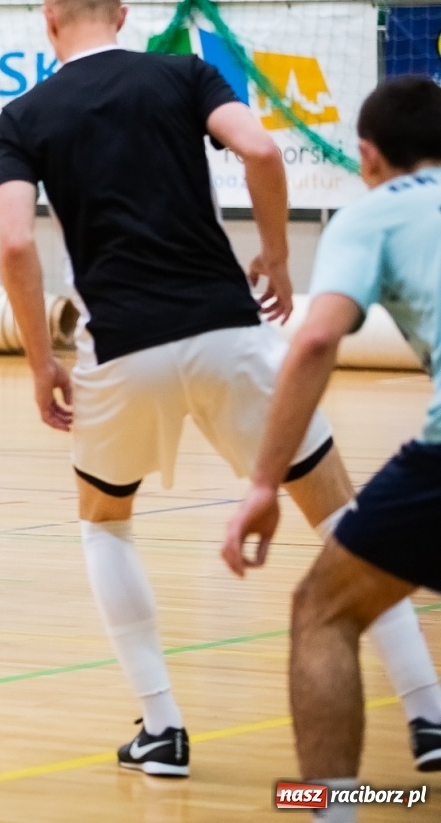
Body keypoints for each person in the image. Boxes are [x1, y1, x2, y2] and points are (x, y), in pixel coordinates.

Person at [0, 0, 441, 780]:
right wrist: (274, 256)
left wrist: (36, 360)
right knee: (345, 519)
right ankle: (429, 715)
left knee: (104, 520)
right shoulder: (182, 74)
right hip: (227, 328)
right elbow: (263, 153)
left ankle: (162, 731)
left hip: (118, 346)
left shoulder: (22, 116)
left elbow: (16, 241)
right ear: (122, 15)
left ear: (49, 21)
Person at [224, 77, 441, 818]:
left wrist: (261, 483)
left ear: (368, 156)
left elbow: (316, 336)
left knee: (323, 610)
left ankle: (331, 807)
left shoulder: (371, 215)